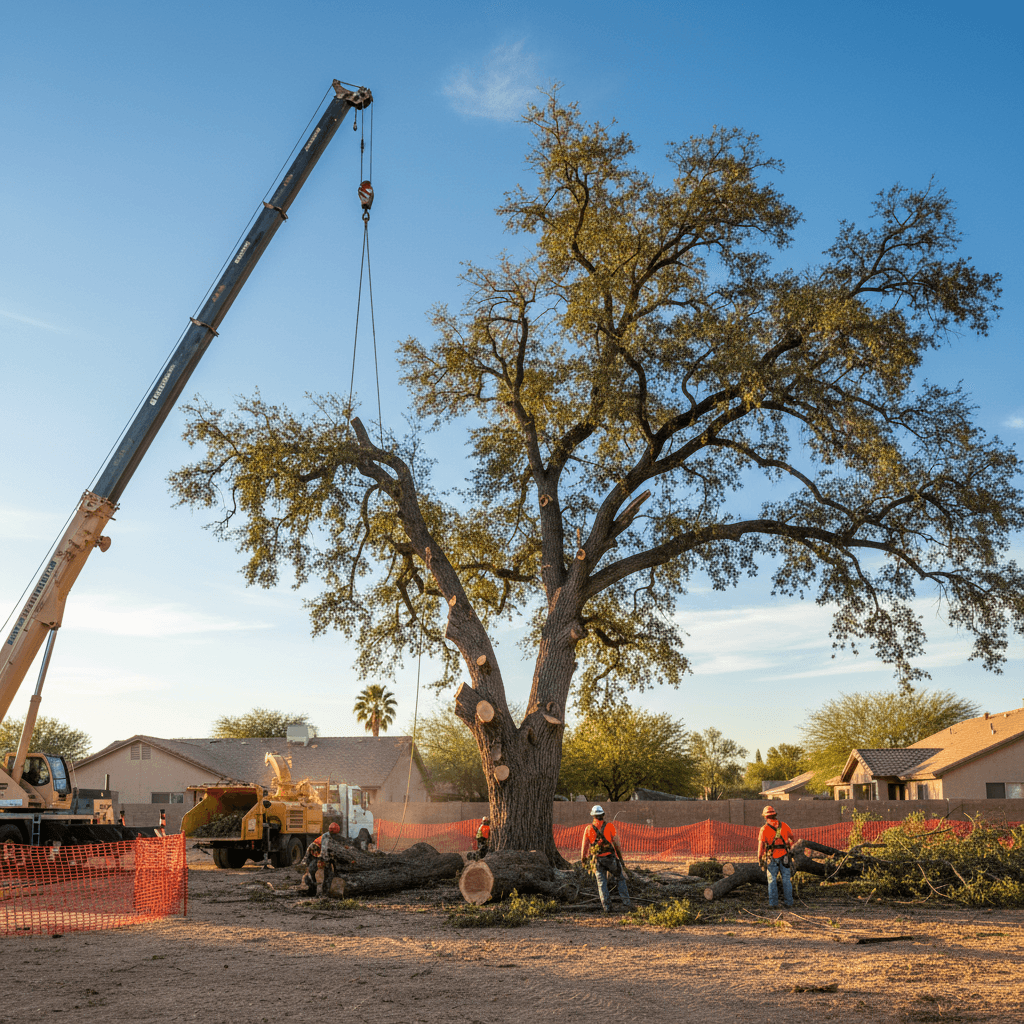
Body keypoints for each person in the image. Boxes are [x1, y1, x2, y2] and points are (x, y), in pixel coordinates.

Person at [580, 805, 631, 913]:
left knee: (601, 883)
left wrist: (583, 861)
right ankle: (626, 903)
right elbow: (617, 844)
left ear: (593, 816)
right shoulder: (610, 826)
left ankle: (607, 908)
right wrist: (621, 860)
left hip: (597, 861)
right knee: (620, 878)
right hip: (610, 859)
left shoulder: (588, 829)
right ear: (603, 815)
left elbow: (584, 848)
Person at [757, 804, 795, 909]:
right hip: (785, 857)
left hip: (771, 858)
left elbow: (760, 848)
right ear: (775, 815)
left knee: (772, 880)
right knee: (786, 879)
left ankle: (773, 904)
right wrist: (789, 845)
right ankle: (789, 903)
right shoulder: (784, 826)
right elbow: (793, 839)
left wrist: (760, 859)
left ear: (765, 817)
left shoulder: (764, 829)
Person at [301, 821, 343, 896]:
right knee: (313, 871)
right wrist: (325, 861)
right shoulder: (326, 837)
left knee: (324, 871)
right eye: (335, 834)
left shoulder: (330, 836)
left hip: (318, 853)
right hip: (314, 853)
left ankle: (322, 891)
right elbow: (324, 851)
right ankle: (314, 890)